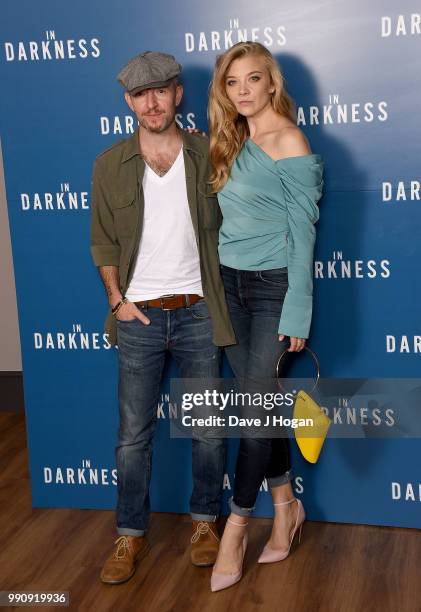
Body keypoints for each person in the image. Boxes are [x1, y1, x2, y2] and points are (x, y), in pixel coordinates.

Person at [90, 51, 236, 584]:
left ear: (178, 94)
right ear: (129, 102)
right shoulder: (109, 165)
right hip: (138, 318)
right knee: (132, 437)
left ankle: (204, 524)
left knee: (208, 431)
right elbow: (103, 240)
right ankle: (129, 534)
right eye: (141, 93)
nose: (152, 102)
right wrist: (116, 300)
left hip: (199, 313)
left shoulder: (210, 153)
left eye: (162, 90)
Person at [208, 42, 324, 591]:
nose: (243, 91)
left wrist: (298, 309)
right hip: (228, 286)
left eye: (253, 79)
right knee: (263, 405)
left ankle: (236, 525)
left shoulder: (289, 140)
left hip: (275, 289)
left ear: (271, 83)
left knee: (254, 411)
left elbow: (304, 235)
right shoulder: (232, 138)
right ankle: (287, 509)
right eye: (233, 83)